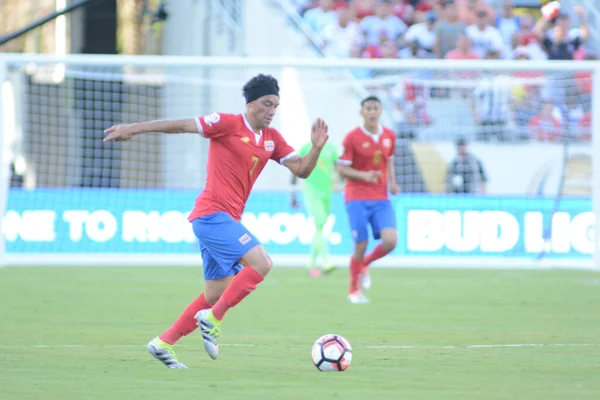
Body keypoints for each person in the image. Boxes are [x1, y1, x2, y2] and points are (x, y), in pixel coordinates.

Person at [103, 74, 329, 368]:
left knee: (215, 293)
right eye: (266, 103)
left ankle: (163, 343)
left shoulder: (272, 139)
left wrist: (317, 147)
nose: (272, 111)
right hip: (212, 214)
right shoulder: (227, 123)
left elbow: (302, 170)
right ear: (250, 105)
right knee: (261, 263)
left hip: (224, 219)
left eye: (275, 105)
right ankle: (213, 319)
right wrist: (133, 129)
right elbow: (180, 125)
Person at [336, 95, 400, 304]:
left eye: (376, 108)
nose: (372, 112)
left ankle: (365, 264)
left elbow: (388, 161)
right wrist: (364, 176)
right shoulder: (352, 138)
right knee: (361, 244)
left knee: (391, 240)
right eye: (368, 108)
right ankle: (353, 291)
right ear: (362, 112)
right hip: (356, 197)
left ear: (381, 112)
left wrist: (393, 182)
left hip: (381, 197)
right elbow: (341, 168)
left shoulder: (389, 136)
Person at [290, 140, 339, 277]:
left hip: (327, 192)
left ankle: (311, 262)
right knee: (319, 223)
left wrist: (341, 184)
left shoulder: (331, 149)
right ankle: (325, 261)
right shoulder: (305, 148)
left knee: (320, 226)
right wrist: (293, 193)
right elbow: (295, 169)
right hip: (312, 191)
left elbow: (338, 169)